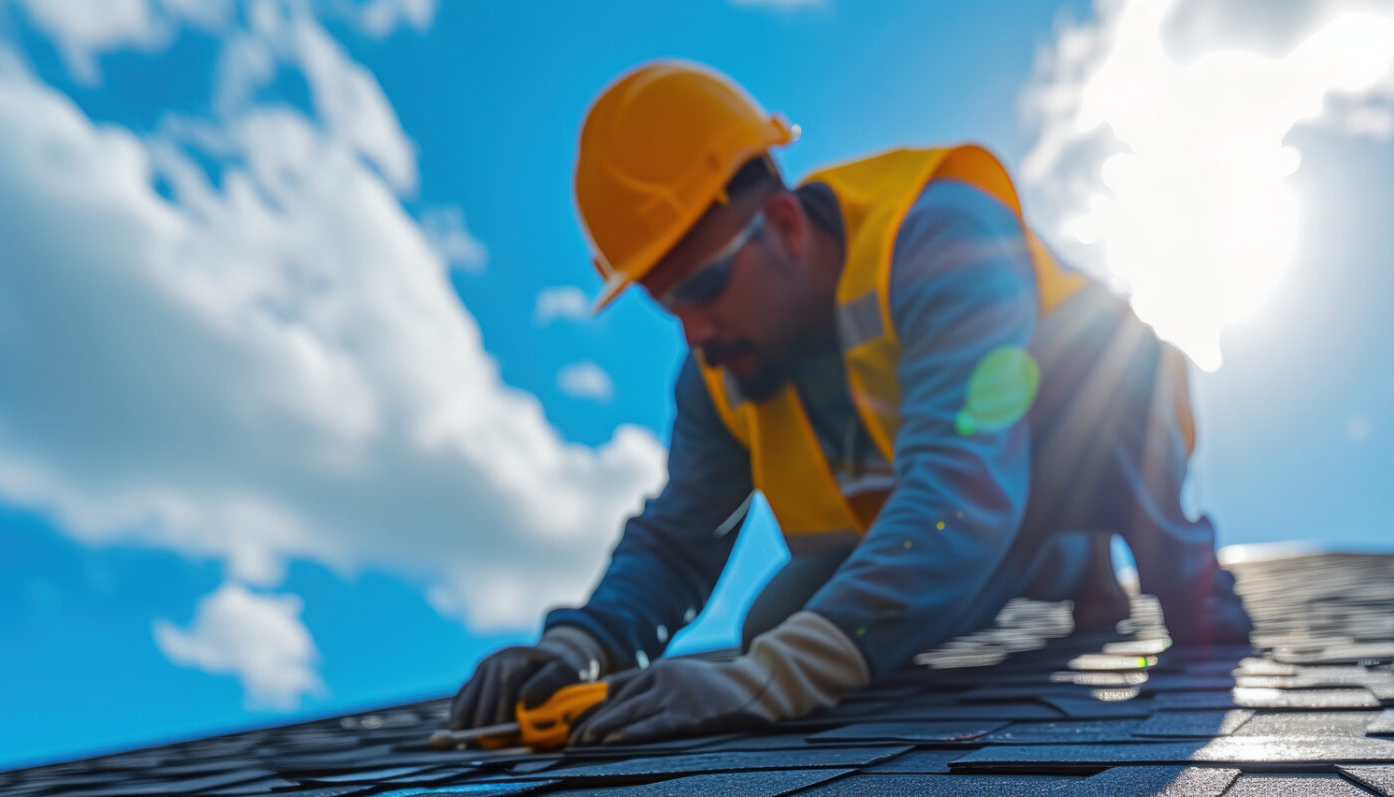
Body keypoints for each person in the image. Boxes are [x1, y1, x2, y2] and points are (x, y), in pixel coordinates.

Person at [451, 60, 1248, 745]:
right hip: (970, 510)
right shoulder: (719, 373)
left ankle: (1182, 572)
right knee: (782, 625)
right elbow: (676, 540)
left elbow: (959, 489)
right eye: (668, 305)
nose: (694, 333)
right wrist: (582, 643)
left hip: (1087, 426)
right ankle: (1065, 560)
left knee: (1111, 391)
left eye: (702, 287)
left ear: (788, 227)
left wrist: (779, 681)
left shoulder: (942, 236)